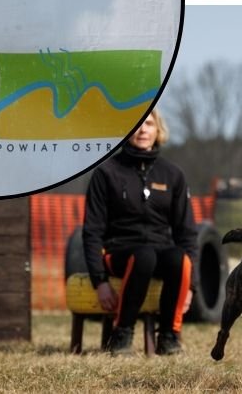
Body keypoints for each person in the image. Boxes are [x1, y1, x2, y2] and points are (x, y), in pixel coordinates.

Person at [82, 109, 197, 356]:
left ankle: (170, 336)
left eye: (148, 123)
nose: (142, 130)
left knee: (179, 258)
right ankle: (122, 334)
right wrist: (99, 282)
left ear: (158, 130)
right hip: (119, 253)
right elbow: (91, 232)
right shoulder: (106, 173)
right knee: (144, 256)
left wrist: (192, 286)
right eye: (136, 124)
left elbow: (187, 233)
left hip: (160, 250)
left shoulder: (173, 174)